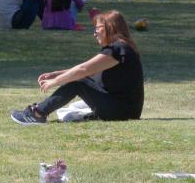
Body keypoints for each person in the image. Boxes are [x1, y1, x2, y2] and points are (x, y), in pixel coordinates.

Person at [11, 10, 143, 124]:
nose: (94, 34)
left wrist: (55, 81)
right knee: (80, 81)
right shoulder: (122, 48)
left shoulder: (118, 49)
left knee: (78, 82)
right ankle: (39, 111)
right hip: (125, 109)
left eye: (97, 29)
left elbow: (83, 70)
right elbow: (87, 70)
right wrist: (57, 74)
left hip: (122, 111)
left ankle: (38, 114)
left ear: (110, 27)